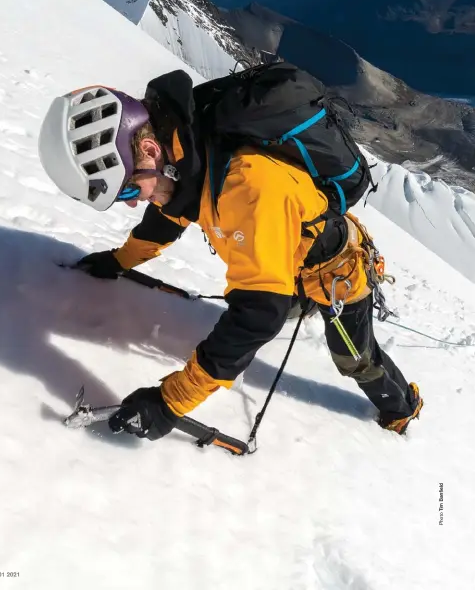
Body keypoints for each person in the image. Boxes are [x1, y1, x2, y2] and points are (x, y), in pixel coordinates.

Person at [38, 71, 423, 443]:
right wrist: (118, 261)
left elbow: (257, 317)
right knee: (280, 299)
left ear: (151, 151)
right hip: (286, 256)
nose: (132, 202)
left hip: (335, 273)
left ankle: (402, 406)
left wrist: (170, 401)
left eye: (127, 191)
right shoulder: (187, 160)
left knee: (353, 357)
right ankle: (299, 304)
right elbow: (164, 222)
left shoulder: (245, 188)